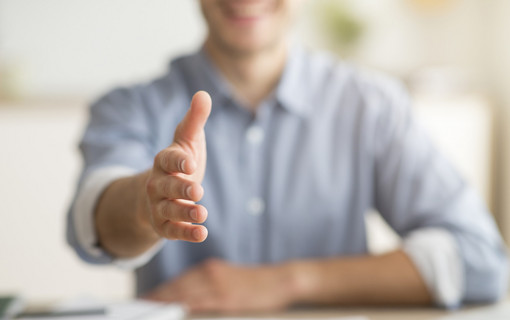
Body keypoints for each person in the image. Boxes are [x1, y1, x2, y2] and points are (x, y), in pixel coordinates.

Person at [67, 0, 508, 314]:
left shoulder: (371, 105)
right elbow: (94, 219)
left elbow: (481, 260)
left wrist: (285, 282)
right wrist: (148, 204)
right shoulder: (129, 106)